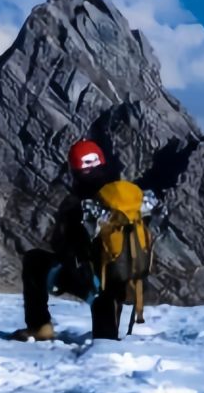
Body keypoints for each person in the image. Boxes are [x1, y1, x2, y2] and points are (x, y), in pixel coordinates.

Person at [11, 138, 156, 342]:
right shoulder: (127, 197)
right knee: (106, 297)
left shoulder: (78, 201)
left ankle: (39, 327)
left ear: (74, 168)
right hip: (130, 278)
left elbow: (60, 244)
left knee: (35, 261)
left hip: (94, 283)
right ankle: (109, 342)